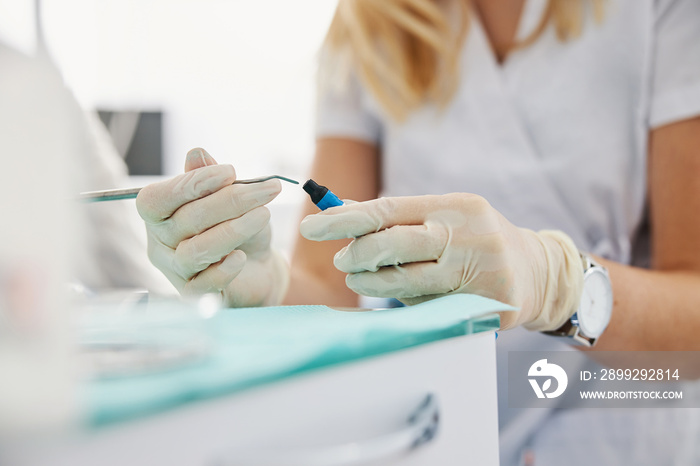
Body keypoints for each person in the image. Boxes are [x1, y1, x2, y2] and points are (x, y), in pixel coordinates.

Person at [135, 0, 700, 463]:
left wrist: (560, 285)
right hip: (436, 429)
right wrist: (267, 287)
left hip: (615, 429)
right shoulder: (369, 19)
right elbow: (330, 285)